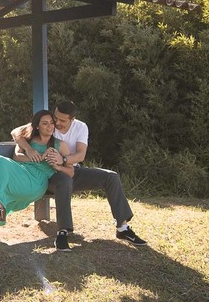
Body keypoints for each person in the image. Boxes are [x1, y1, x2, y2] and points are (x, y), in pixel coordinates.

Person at [11, 100, 146, 251]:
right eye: (56, 117)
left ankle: (122, 228)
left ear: (72, 119)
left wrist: (62, 160)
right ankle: (63, 232)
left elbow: (81, 155)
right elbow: (16, 132)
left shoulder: (81, 127)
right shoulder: (48, 123)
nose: (57, 123)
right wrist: (28, 149)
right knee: (64, 180)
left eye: (62, 120)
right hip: (50, 175)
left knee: (111, 177)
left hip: (71, 169)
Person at [0, 110, 74, 255]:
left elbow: (71, 172)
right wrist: (30, 152)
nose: (49, 126)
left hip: (37, 181)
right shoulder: (28, 140)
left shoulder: (60, 145)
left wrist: (57, 166)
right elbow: (17, 156)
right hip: (21, 172)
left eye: (51, 123)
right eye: (45, 123)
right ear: (37, 126)